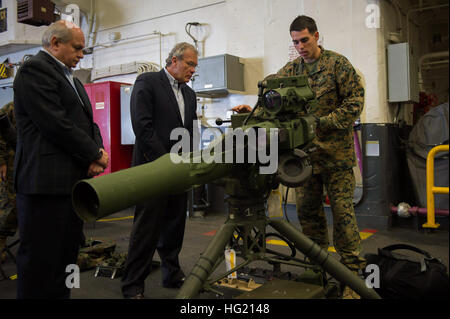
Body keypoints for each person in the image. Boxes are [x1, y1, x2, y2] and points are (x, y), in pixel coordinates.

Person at [233, 15, 366, 298]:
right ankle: (317, 271)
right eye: (295, 42)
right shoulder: (291, 70)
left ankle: (353, 278)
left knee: (343, 216)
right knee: (309, 217)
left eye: (304, 40)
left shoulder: (337, 65)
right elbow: (269, 92)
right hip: (305, 158)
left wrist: (322, 122)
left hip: (336, 157)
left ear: (317, 36)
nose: (300, 46)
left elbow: (355, 102)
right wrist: (253, 109)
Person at [13, 20, 108, 299]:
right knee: (40, 261)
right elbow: (55, 123)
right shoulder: (35, 70)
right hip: (44, 185)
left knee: (67, 256)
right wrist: (93, 153)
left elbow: (89, 124)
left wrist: (96, 153)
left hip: (71, 183)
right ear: (55, 43)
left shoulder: (73, 80)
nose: (82, 55)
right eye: (77, 48)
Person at [121, 42, 198, 299]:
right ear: (173, 60)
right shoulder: (148, 82)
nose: (192, 70)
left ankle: (171, 274)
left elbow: (189, 131)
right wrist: (165, 162)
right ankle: (132, 285)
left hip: (178, 172)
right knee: (146, 229)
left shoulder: (189, 94)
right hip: (152, 170)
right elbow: (142, 127)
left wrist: (189, 161)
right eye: (189, 64)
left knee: (175, 225)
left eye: (195, 66)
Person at [0, 102, 18, 263]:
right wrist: (2, 162)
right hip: (11, 166)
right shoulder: (10, 109)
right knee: (10, 205)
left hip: (28, 163)